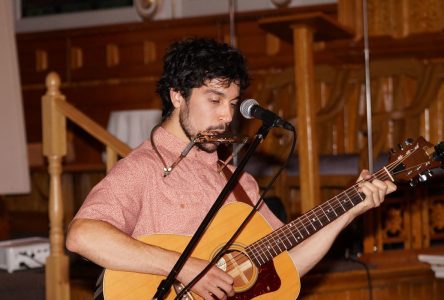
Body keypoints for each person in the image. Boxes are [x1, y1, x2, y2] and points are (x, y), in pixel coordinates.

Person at [66, 37, 396, 300]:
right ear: (178, 96)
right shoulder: (144, 168)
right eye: (214, 100)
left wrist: (347, 212)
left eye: (233, 104)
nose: (227, 116)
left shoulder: (239, 182)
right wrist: (187, 269)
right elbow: (83, 236)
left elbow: (288, 264)